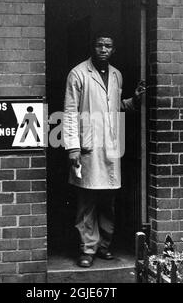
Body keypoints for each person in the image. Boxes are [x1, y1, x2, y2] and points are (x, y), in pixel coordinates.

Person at [62, 31, 146, 268]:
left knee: (108, 201)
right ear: (92, 47)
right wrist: (72, 148)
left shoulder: (117, 75)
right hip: (87, 145)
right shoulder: (78, 74)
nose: (103, 49)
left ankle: (104, 246)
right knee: (87, 200)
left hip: (110, 146)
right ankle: (87, 249)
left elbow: (114, 107)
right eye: (99, 45)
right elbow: (69, 113)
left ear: (113, 50)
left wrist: (134, 100)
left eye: (108, 46)